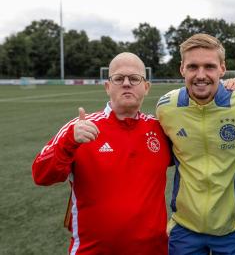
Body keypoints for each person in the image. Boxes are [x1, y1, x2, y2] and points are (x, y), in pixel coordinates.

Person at [32, 52, 171, 255]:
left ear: (146, 87)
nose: (126, 83)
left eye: (134, 79)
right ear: (108, 86)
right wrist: (68, 142)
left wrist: (232, 89)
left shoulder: (161, 130)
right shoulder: (79, 128)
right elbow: (41, 175)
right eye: (118, 78)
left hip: (155, 249)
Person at [156, 33, 235, 254]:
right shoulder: (166, 108)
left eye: (209, 67)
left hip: (234, 231)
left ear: (222, 69)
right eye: (193, 67)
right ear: (182, 69)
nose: (201, 75)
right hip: (184, 230)